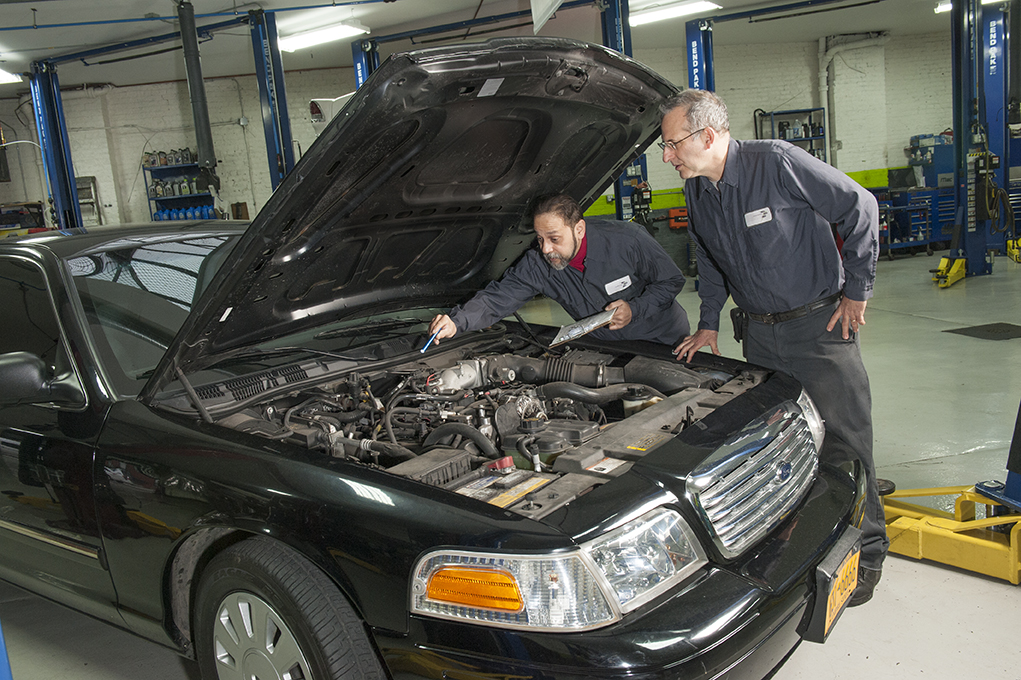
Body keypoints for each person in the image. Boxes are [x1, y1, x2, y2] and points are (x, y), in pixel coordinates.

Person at [661, 89, 887, 606]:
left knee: (847, 443)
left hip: (819, 330)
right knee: (782, 447)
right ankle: (802, 547)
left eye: (673, 145)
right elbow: (710, 260)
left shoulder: (778, 163)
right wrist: (709, 323)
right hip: (759, 336)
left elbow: (861, 207)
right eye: (666, 148)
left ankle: (868, 556)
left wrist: (857, 291)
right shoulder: (699, 190)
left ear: (708, 136)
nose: (669, 157)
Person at [428, 193, 690, 346]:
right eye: (540, 239)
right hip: (610, 350)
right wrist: (456, 322)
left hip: (663, 340)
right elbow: (497, 300)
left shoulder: (628, 240)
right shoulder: (538, 265)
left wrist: (635, 309)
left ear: (579, 229)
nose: (545, 249)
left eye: (554, 238)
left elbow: (671, 281)